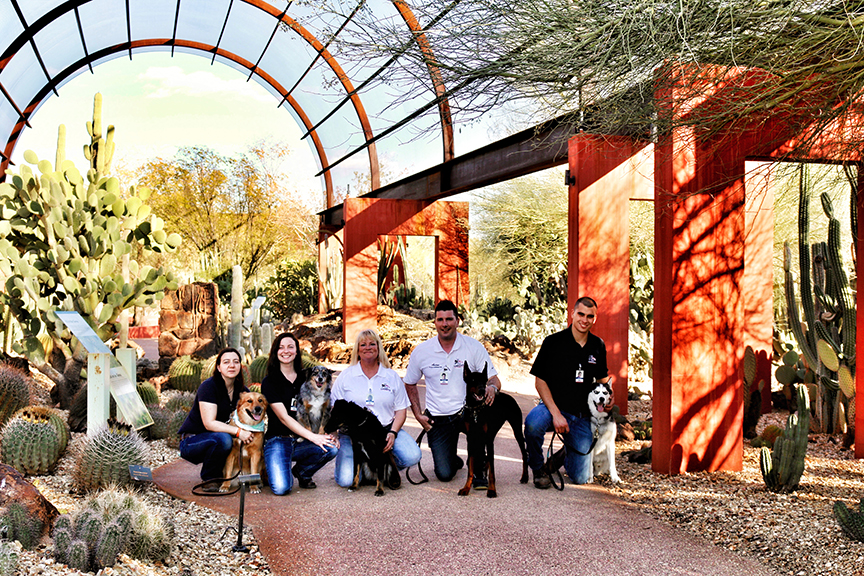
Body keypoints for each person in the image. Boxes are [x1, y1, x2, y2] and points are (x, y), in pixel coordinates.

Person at [404, 299, 500, 485]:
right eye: (440, 320)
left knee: (479, 422)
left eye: (449, 319)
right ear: (435, 322)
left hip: (467, 412)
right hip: (438, 417)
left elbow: (494, 378)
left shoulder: (473, 347)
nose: (445, 324)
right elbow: (409, 383)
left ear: (457, 321)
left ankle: (480, 466)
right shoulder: (422, 351)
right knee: (445, 474)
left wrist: (492, 388)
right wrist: (417, 414)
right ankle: (452, 459)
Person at [525, 296, 611, 488]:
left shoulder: (598, 345)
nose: (584, 320)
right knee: (532, 424)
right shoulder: (553, 342)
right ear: (572, 314)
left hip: (581, 416)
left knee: (580, 478)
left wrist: (608, 396)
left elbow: (602, 379)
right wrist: (556, 414)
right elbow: (540, 382)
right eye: (580, 314)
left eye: (590, 316)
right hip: (552, 408)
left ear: (594, 319)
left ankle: (562, 455)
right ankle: (539, 469)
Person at [331, 328, 422, 488]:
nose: (368, 347)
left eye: (372, 344)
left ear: (378, 348)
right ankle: (371, 469)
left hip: (384, 430)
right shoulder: (346, 376)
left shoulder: (391, 376)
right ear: (357, 350)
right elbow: (333, 408)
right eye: (363, 344)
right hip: (352, 435)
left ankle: (384, 464)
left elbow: (401, 410)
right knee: (345, 480)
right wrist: (333, 434)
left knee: (412, 456)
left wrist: (393, 433)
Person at [260, 332, 338, 494]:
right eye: (281, 348)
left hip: (302, 441)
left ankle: (303, 472)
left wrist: (332, 433)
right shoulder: (270, 381)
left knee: (331, 448)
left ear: (297, 351)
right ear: (275, 352)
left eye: (290, 347)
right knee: (282, 488)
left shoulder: (308, 377)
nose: (286, 351)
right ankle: (278, 464)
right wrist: (314, 437)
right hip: (278, 440)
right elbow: (283, 417)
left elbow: (325, 405)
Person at [178, 347, 250, 492]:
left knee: (240, 439)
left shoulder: (243, 391)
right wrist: (238, 432)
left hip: (220, 437)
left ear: (240, 366)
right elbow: (209, 423)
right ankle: (210, 478)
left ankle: (248, 475)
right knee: (224, 440)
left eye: (236, 362)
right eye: (226, 362)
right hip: (193, 441)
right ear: (218, 367)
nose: (231, 365)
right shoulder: (208, 387)